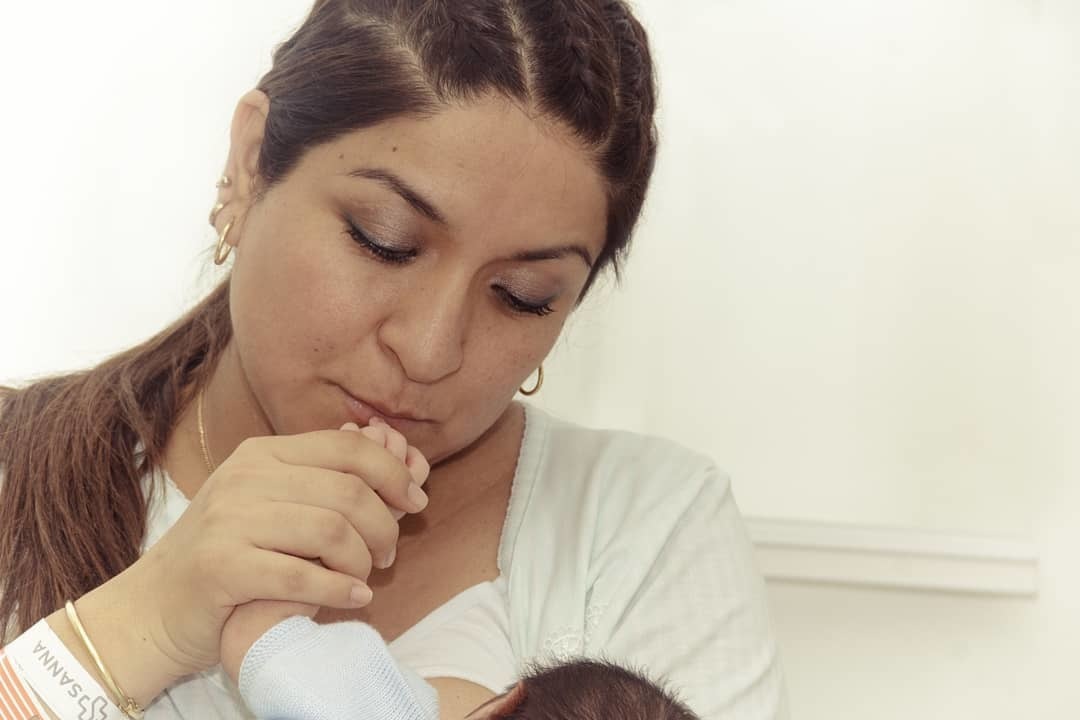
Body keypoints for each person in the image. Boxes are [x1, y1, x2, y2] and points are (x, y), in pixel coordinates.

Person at [0, 1, 787, 718]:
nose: (430, 350)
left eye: (521, 295)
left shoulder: (644, 527)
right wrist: (140, 623)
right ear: (248, 164)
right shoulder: (18, 470)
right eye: (383, 239)